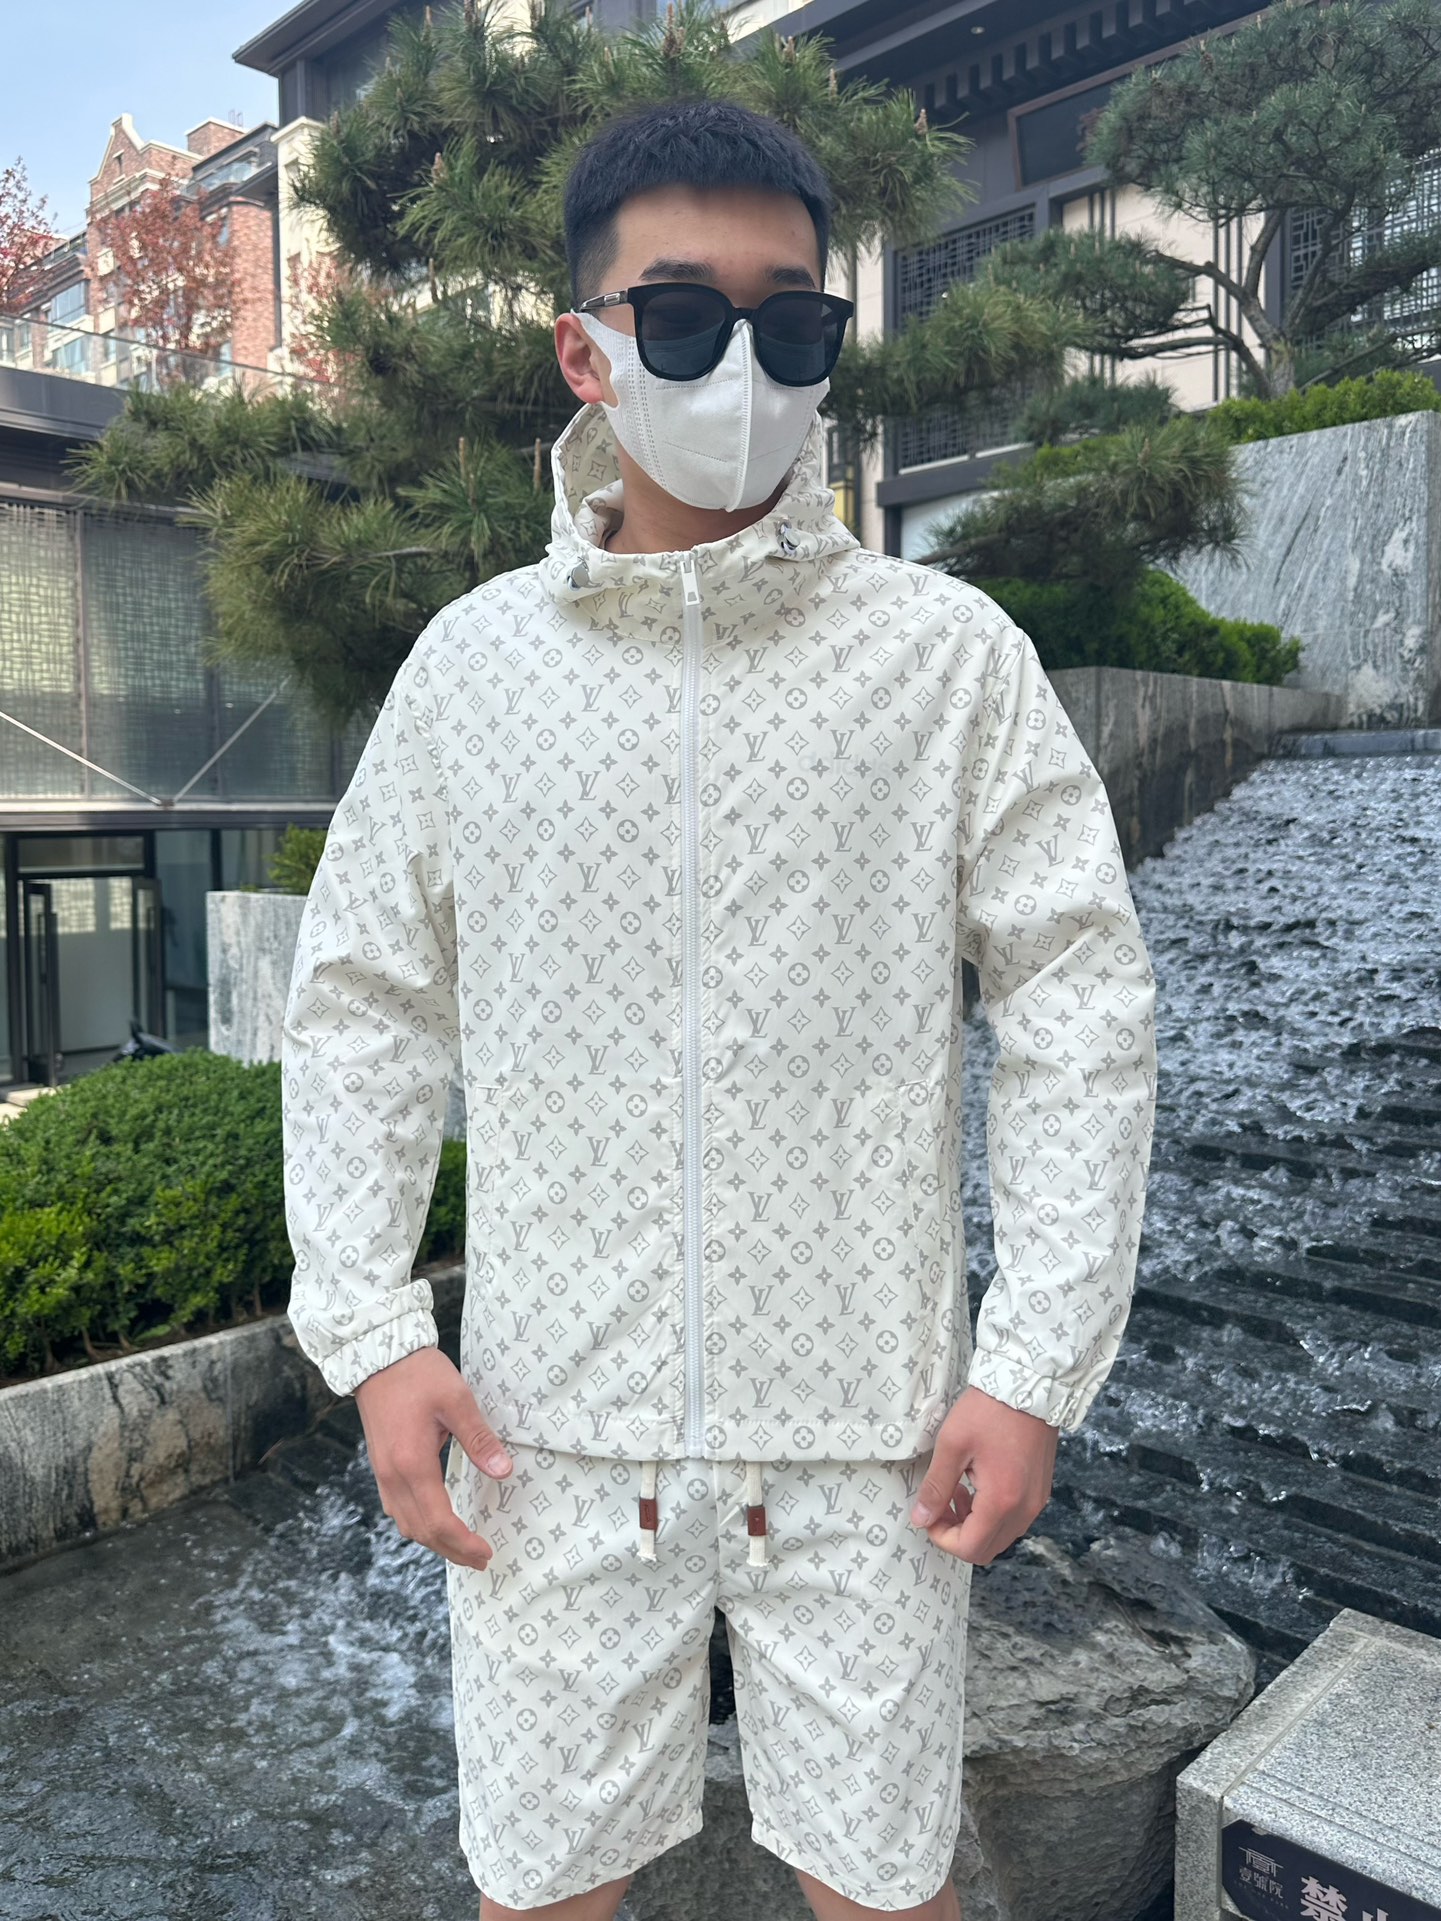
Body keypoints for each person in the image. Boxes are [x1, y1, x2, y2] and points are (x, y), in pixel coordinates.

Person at [281, 96, 1158, 1921]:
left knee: (887, 1886)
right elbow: (363, 999)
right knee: (538, 1887)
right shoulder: (471, 673)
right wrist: (370, 1328)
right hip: (544, 1428)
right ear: (583, 348)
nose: (739, 366)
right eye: (680, 317)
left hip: (869, 1431)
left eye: (791, 320)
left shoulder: (943, 659)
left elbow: (1078, 997)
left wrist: (1030, 1361)